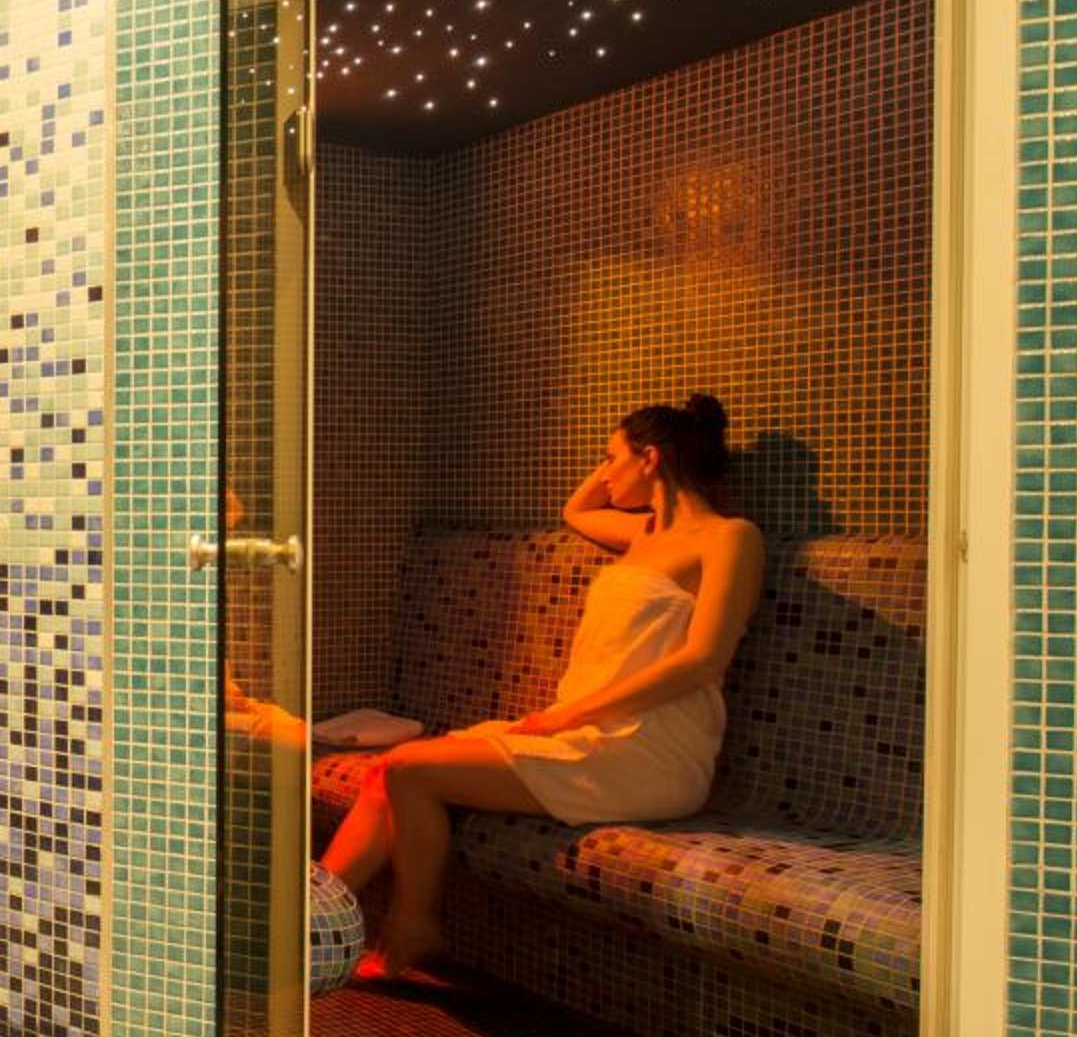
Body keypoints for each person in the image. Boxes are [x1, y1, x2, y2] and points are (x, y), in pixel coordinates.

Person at [321, 394, 764, 984]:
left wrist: (570, 716)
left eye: (611, 457)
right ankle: (314, 924)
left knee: (410, 770)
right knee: (387, 771)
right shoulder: (644, 535)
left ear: (651, 458)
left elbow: (704, 661)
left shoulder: (729, 538)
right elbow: (576, 510)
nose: (604, 473)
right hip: (586, 736)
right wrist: (633, 462)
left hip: (646, 751)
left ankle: (409, 924)